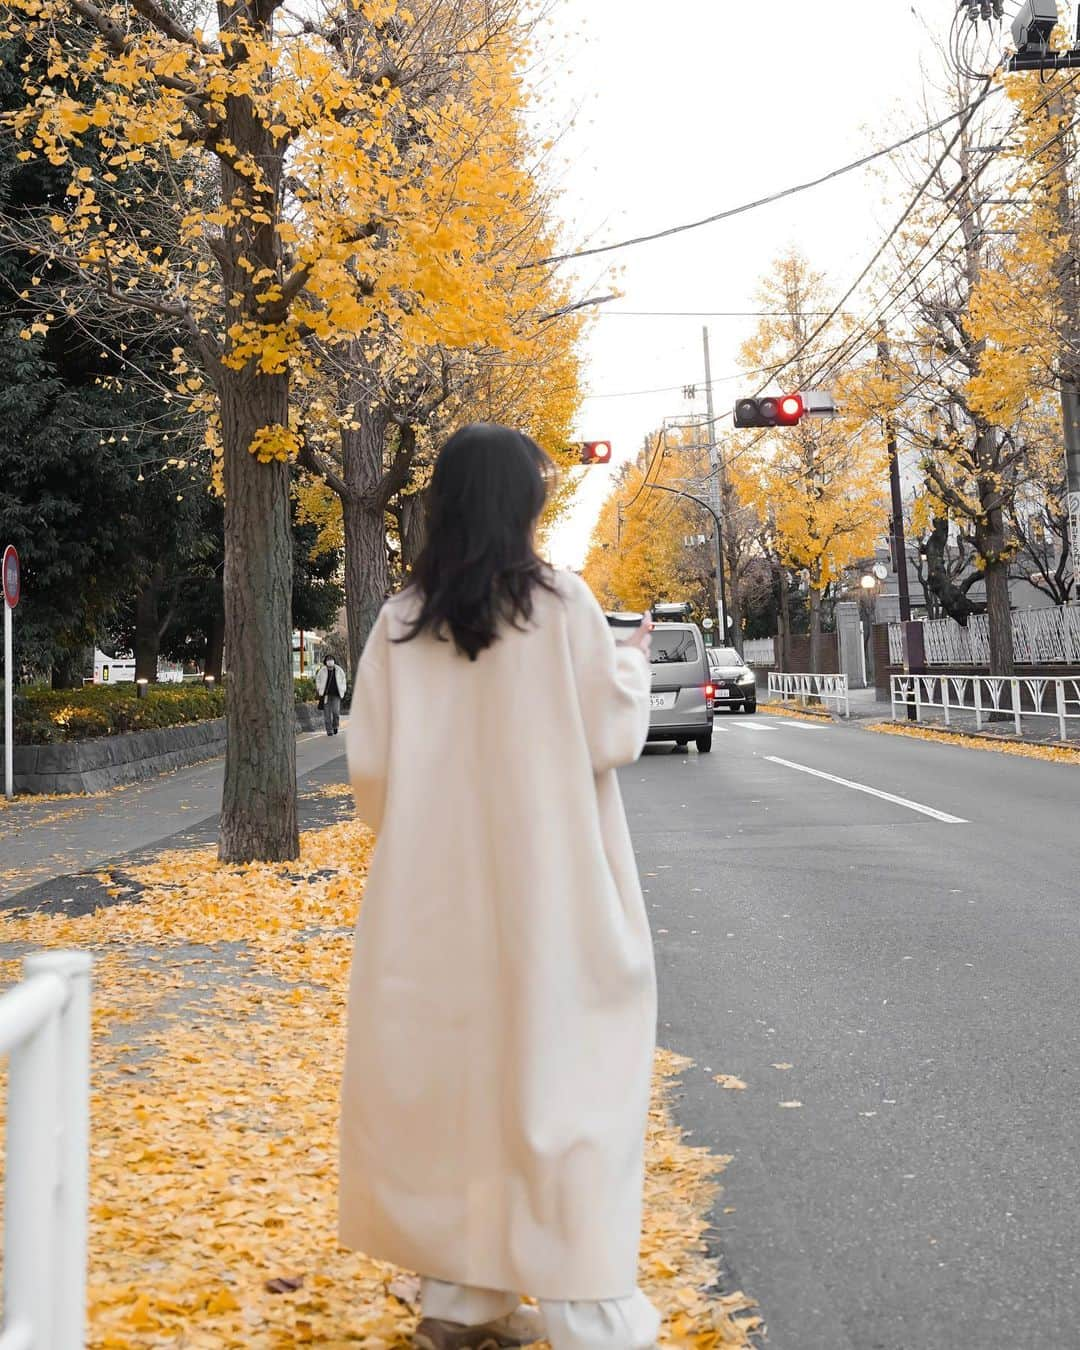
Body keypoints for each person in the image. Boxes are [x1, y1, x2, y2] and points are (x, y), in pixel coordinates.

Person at [339, 424, 659, 1350]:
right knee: (568, 1077)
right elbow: (610, 734)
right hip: (552, 889)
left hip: (432, 896)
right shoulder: (562, 605)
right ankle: (588, 1307)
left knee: (453, 1084)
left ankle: (462, 1295)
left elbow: (370, 776)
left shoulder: (401, 621)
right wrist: (633, 661)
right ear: (525, 504)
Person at [315, 655, 347, 736]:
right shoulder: (322, 670)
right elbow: (317, 680)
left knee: (336, 712)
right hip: (326, 695)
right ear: (325, 661)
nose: (330, 661)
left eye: (331, 659)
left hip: (336, 695)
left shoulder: (339, 670)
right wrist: (319, 689)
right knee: (327, 714)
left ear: (334, 660)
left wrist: (343, 689)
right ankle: (329, 730)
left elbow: (343, 680)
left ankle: (335, 726)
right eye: (328, 659)